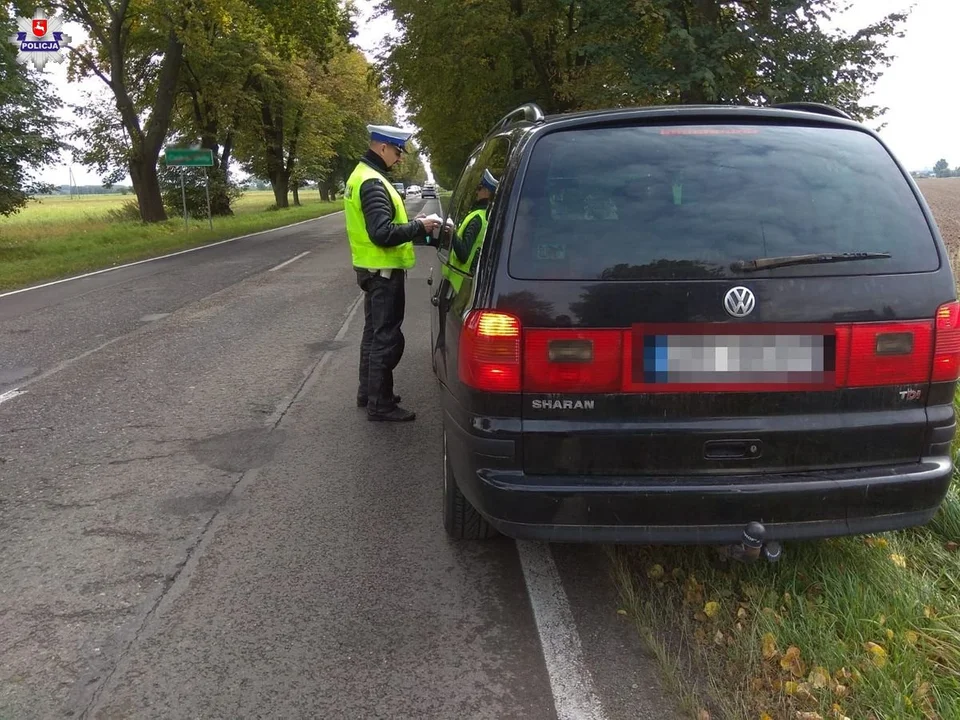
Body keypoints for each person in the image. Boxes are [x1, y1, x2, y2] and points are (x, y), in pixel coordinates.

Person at [345, 124, 441, 422]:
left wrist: (415, 222)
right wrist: (420, 227)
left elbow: (381, 225)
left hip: (372, 270)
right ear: (382, 147)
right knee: (386, 339)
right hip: (383, 274)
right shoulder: (372, 183)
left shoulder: (362, 176)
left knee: (373, 336)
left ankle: (369, 393)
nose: (400, 158)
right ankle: (381, 404)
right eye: (398, 152)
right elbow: (381, 233)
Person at [444, 169, 498, 292]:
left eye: (479, 188)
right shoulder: (486, 215)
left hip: (462, 283)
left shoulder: (477, 219)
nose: (476, 192)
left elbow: (463, 254)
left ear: (487, 192)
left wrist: (452, 233)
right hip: (468, 280)